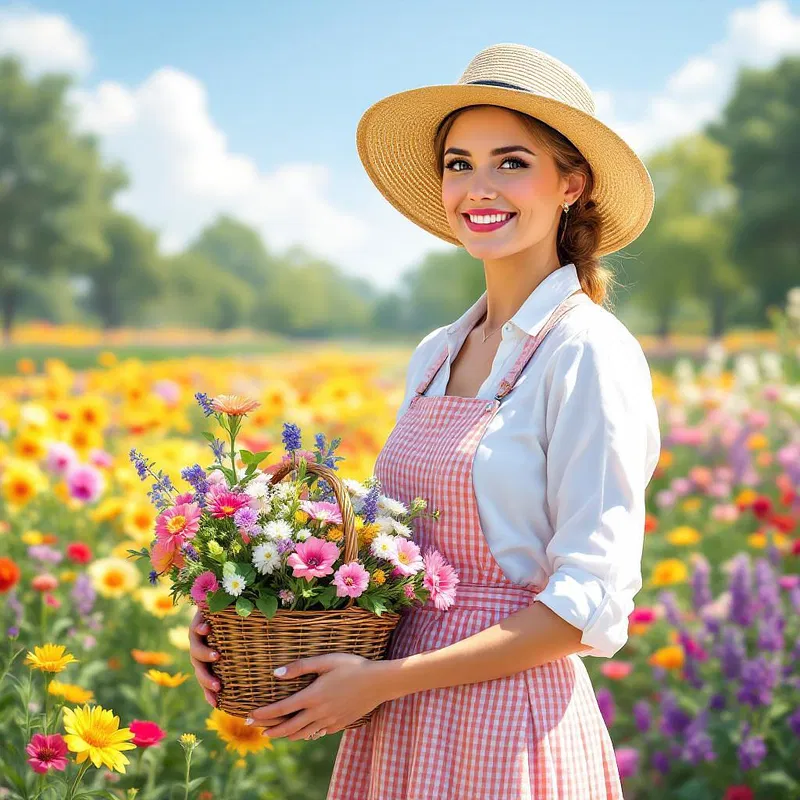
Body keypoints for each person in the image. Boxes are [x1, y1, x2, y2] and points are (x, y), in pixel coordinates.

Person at [189, 42, 661, 799]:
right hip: (397, 722)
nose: (479, 186)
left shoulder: (589, 352)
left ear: (572, 184)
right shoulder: (438, 353)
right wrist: (249, 617)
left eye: (512, 162)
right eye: (458, 162)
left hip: (508, 727)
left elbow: (585, 610)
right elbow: (396, 554)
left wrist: (383, 680)